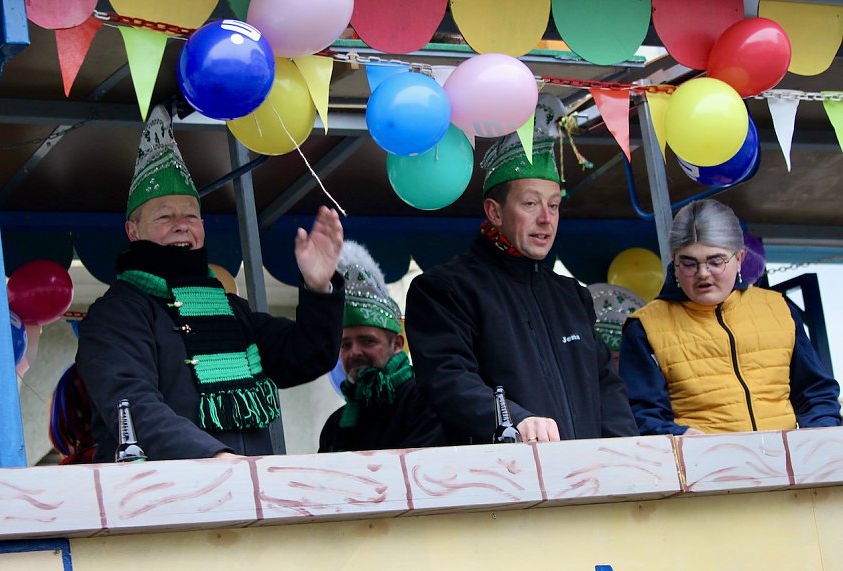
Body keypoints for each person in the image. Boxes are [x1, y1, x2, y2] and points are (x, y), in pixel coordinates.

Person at [76, 105, 345, 461]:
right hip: (161, 503)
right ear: (132, 230)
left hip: (244, 492)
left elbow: (307, 355)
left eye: (191, 214)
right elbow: (132, 403)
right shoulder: (117, 313)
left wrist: (318, 287)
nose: (182, 224)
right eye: (165, 215)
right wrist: (214, 457)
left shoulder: (230, 309)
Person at [405, 95, 638, 445]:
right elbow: (447, 379)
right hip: (502, 485)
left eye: (554, 205)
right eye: (530, 204)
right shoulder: (445, 289)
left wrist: (625, 451)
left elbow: (606, 385)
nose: (546, 219)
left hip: (587, 483)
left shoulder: (572, 296)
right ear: (494, 212)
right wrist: (516, 420)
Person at [619, 199, 841, 436]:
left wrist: (819, 436)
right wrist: (681, 436)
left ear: (740, 259)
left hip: (788, 466)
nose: (703, 274)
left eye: (715, 261)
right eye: (688, 263)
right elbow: (641, 414)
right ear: (674, 261)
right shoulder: (644, 326)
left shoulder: (778, 308)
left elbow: (816, 393)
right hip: (700, 468)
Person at [319, 242, 445, 452]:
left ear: (397, 345)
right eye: (345, 344)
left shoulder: (426, 401)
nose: (354, 352)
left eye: (368, 341)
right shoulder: (336, 424)